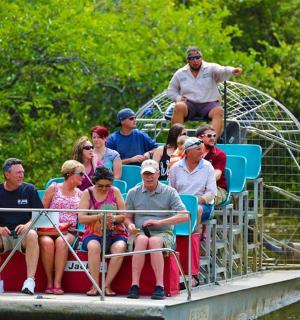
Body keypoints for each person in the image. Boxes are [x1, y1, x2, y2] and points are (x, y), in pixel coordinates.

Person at [126, 159, 188, 300]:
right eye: (146, 174)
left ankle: (159, 286)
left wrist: (159, 222)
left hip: (163, 232)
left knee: (154, 241)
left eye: (152, 174)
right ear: (141, 175)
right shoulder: (133, 192)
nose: (149, 177)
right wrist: (129, 224)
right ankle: (134, 285)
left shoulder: (170, 192)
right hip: (140, 231)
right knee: (141, 240)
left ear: (158, 174)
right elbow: (127, 216)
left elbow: (184, 216)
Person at [166, 46, 243, 138]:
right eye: (191, 58)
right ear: (187, 60)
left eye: (198, 58)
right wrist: (178, 98)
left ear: (201, 57)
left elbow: (222, 70)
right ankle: (177, 140)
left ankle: (211, 142)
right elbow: (170, 91)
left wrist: (232, 70)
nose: (195, 61)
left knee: (219, 111)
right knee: (178, 106)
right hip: (189, 104)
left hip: (209, 103)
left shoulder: (211, 68)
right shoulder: (180, 73)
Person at [78, 166, 128, 296]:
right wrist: (100, 216)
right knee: (94, 247)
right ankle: (94, 285)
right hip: (93, 234)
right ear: (95, 182)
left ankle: (106, 285)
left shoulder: (115, 191)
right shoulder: (87, 193)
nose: (105, 188)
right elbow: (82, 218)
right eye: (101, 186)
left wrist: (114, 218)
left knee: (120, 247)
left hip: (115, 233)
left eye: (107, 185)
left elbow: (124, 216)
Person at [39, 160, 84, 294]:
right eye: (80, 173)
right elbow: (42, 211)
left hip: (69, 231)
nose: (83, 176)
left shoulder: (80, 194)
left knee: (61, 241)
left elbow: (83, 217)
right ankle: (49, 281)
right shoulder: (53, 188)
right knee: (47, 243)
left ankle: (58, 283)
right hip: (49, 230)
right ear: (69, 174)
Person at [0, 158, 42, 294]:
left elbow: (40, 215)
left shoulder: (29, 189)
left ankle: (30, 282)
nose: (22, 175)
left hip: (23, 236)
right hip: (3, 236)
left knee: (32, 233)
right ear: (7, 174)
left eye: (22, 172)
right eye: (18, 172)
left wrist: (28, 225)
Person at [169, 137, 217, 233]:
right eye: (198, 149)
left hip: (203, 205)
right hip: (180, 205)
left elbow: (211, 193)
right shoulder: (176, 167)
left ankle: (194, 240)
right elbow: (171, 191)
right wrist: (180, 204)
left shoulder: (208, 167)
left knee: (197, 210)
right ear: (188, 151)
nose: (202, 152)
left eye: (202, 149)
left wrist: (194, 202)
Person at [195, 126, 227, 205]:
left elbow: (217, 175)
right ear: (199, 137)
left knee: (199, 201)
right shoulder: (192, 152)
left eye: (214, 136)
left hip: (217, 189)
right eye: (209, 136)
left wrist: (200, 184)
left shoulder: (219, 154)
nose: (212, 138)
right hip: (195, 187)